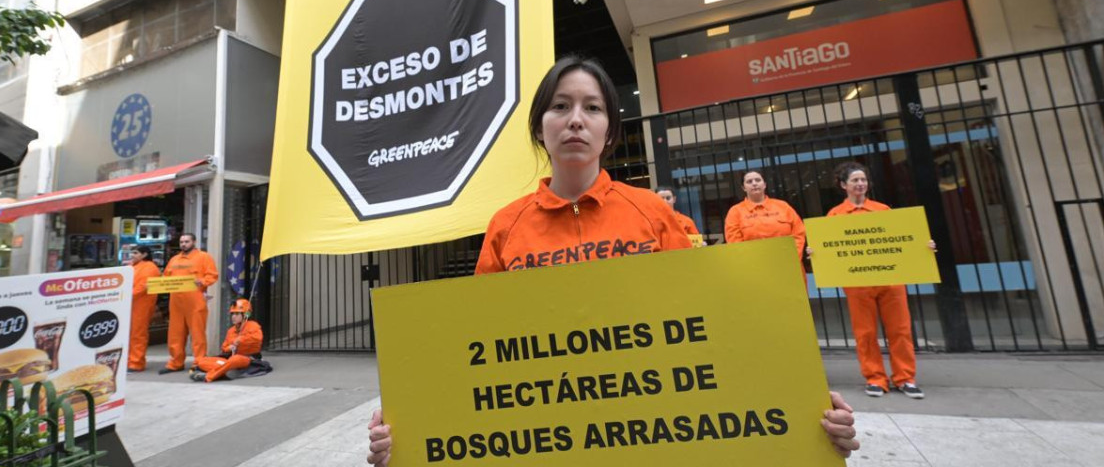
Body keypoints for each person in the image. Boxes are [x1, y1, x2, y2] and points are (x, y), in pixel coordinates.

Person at [367, 57, 860, 465]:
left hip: (658, 431)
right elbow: (471, 349)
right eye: (560, 106)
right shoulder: (505, 226)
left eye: (592, 107)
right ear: (541, 128)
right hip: (541, 439)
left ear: (610, 131)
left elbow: (715, 328)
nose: (575, 119)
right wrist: (410, 433)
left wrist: (803, 411)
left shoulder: (651, 213)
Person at [817, 161, 934, 400]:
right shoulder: (835, 216)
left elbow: (901, 241)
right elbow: (830, 247)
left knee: (900, 330)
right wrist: (816, 252)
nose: (860, 184)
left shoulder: (883, 211)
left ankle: (905, 378)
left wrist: (923, 247)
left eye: (863, 180)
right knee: (865, 333)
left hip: (891, 281)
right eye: (855, 181)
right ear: (843, 185)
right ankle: (875, 378)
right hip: (858, 285)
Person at [160, 233, 218, 374]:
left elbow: (212, 275)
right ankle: (176, 362)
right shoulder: (174, 260)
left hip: (195, 301)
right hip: (176, 302)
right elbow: (165, 277)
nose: (183, 244)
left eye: (186, 241)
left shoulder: (204, 257)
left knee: (197, 333)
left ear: (194, 242)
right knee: (175, 333)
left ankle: (199, 362)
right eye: (181, 242)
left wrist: (203, 282)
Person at [190, 299, 263, 383]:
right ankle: (226, 371)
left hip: (247, 359)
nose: (233, 317)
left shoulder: (253, 326)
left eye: (236, 314)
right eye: (232, 314)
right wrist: (230, 347)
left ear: (245, 315)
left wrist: (240, 340)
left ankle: (209, 376)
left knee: (235, 359)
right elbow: (224, 347)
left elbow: (257, 338)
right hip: (229, 361)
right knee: (202, 361)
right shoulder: (231, 330)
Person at [127, 245, 161, 372]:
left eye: (135, 253)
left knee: (138, 334)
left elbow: (143, 287)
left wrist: (125, 295)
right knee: (131, 333)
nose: (132, 255)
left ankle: (136, 363)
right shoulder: (133, 266)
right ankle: (130, 360)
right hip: (132, 304)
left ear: (144, 254)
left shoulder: (150, 268)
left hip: (142, 305)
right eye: (132, 253)